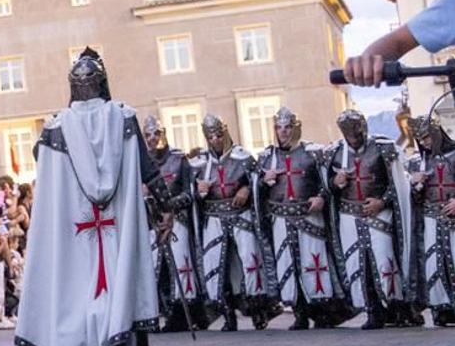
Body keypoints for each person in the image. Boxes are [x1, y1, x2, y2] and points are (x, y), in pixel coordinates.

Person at [15, 49, 176, 346]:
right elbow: (149, 170)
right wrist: (167, 208)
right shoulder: (123, 118)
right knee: (129, 284)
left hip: (79, 230)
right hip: (120, 223)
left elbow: (41, 162)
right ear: (103, 82)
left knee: (81, 292)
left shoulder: (56, 128)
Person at [257, 106, 350, 331]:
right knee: (288, 266)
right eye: (279, 128)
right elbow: (255, 193)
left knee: (315, 263)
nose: (283, 132)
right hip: (280, 219)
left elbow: (328, 182)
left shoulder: (313, 153)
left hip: (310, 218)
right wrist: (261, 182)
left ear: (295, 128)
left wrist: (321, 197)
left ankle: (323, 313)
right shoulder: (266, 157)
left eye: (288, 127)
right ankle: (299, 313)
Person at [326, 109, 411, 330]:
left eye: (355, 131)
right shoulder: (334, 152)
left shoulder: (384, 149)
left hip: (379, 214)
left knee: (386, 262)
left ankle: (396, 307)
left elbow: (399, 185)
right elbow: (328, 188)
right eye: (348, 133)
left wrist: (382, 202)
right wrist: (336, 182)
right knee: (357, 263)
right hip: (348, 216)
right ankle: (372, 310)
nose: (353, 137)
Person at [195, 114, 266, 331]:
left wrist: (247, 188)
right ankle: (227, 315)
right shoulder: (199, 162)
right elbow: (190, 192)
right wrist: (198, 191)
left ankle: (258, 310)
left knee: (250, 261)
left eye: (218, 135)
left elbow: (259, 180)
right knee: (216, 266)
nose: (215, 140)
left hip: (241, 216)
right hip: (214, 217)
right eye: (211, 136)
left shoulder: (243, 157)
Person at [141, 114, 204, 333]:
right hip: (151, 223)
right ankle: (160, 312)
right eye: (147, 134)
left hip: (178, 221)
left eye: (156, 133)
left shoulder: (179, 159)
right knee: (154, 268)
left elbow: (189, 192)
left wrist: (170, 204)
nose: (152, 138)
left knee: (181, 265)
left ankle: (182, 313)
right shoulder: (139, 164)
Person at [410, 115, 455, 326]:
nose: (425, 142)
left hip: (453, 215)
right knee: (433, 263)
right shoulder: (418, 162)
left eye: (427, 136)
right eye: (420, 139)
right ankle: (441, 309)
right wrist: (415, 186)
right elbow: (412, 201)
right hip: (430, 219)